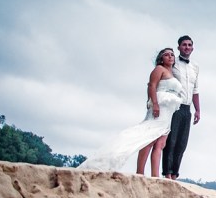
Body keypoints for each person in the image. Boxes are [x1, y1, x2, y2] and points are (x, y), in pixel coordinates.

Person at [78, 48, 184, 176]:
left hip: (169, 111)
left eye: (172, 54)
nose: (170, 56)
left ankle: (155, 175)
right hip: (160, 106)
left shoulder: (173, 73)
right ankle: (140, 171)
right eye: (167, 55)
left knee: (161, 143)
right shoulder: (159, 69)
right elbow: (151, 86)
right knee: (148, 138)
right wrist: (153, 103)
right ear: (161, 58)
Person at [161, 35, 200, 180]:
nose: (187, 47)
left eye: (189, 45)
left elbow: (195, 90)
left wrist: (198, 110)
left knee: (182, 143)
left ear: (193, 48)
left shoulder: (195, 66)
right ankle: (168, 173)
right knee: (171, 141)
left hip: (187, 108)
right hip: (174, 106)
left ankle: (175, 174)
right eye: (184, 45)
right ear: (179, 47)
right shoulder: (173, 62)